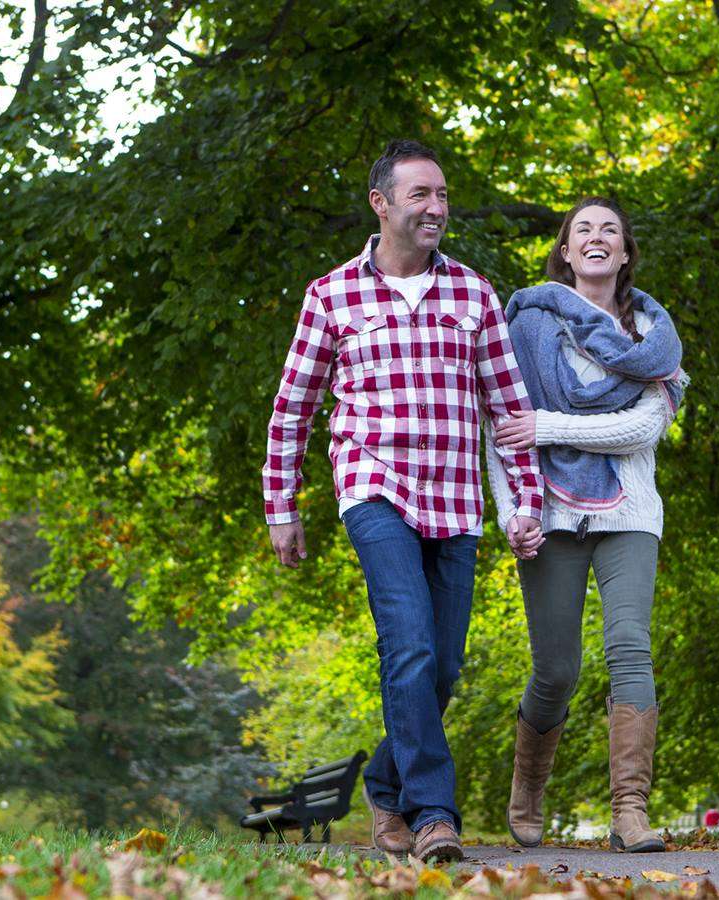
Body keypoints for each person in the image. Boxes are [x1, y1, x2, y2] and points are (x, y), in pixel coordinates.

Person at [262, 140, 546, 861]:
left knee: (443, 665)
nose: (438, 209)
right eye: (422, 195)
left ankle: (386, 783)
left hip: (454, 501)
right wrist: (282, 506)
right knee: (409, 644)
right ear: (381, 204)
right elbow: (293, 409)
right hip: (373, 487)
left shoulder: (473, 293)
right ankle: (432, 817)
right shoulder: (331, 295)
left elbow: (509, 410)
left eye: (444, 196)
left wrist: (526, 503)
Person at [488, 197, 685, 853]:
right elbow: (499, 429)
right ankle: (528, 792)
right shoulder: (530, 327)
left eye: (610, 231)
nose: (597, 238)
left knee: (629, 642)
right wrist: (511, 510)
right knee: (557, 671)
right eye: (583, 231)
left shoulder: (653, 339)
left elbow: (645, 426)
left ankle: (630, 811)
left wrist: (548, 426)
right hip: (546, 508)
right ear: (566, 253)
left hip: (630, 510)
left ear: (625, 253)